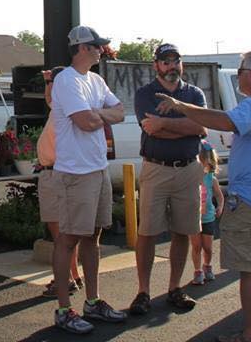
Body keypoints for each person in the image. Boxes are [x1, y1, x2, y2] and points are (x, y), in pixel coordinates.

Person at [153, 50, 251, 342]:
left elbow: (225, 121)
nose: (239, 75)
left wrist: (181, 106)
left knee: (250, 269)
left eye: (241, 71)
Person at [46, 26, 127, 334]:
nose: (101, 50)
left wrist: (97, 114)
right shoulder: (66, 80)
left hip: (97, 170)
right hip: (75, 174)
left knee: (93, 237)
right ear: (81, 48)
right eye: (96, 46)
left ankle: (92, 302)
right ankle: (63, 309)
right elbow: (86, 122)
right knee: (68, 239)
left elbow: (119, 112)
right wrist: (99, 114)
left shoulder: (95, 80)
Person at [129, 43, 207, 316]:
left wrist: (165, 123)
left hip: (188, 169)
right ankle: (143, 292)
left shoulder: (194, 94)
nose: (172, 66)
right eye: (166, 61)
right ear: (156, 65)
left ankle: (175, 288)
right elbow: (151, 130)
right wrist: (185, 128)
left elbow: (201, 127)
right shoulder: (145, 94)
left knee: (183, 231)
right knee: (148, 232)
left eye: (176, 60)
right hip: (156, 169)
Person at [36, 67, 83, 298]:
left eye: (53, 82)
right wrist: (49, 81)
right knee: (66, 233)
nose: (50, 88)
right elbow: (49, 98)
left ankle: (64, 280)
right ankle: (73, 275)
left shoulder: (64, 109)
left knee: (60, 235)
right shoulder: (64, 107)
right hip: (55, 172)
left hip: (56, 174)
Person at [189, 141, 224, 285]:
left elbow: (219, 196)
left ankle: (207, 266)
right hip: (193, 217)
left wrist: (220, 206)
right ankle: (198, 271)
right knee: (196, 246)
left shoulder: (211, 179)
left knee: (208, 247)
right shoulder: (191, 177)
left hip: (208, 217)